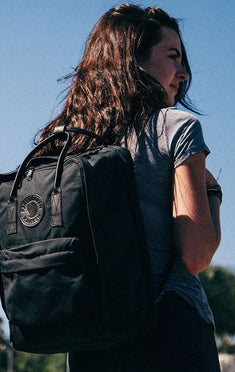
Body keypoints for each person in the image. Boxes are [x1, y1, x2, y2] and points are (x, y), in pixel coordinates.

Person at [38, 4, 222, 371]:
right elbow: (196, 254)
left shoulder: (61, 145)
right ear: (134, 59)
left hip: (90, 340)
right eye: (173, 57)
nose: (183, 73)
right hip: (171, 331)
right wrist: (213, 195)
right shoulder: (176, 127)